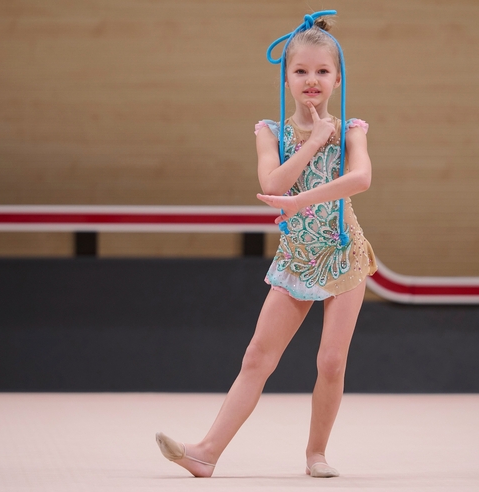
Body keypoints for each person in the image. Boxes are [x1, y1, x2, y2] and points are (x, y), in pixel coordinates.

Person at [156, 11, 377, 479]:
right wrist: (313, 141)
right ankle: (206, 453)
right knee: (258, 355)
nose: (311, 80)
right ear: (286, 77)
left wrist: (307, 192)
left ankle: (316, 454)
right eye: (301, 71)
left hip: (343, 253)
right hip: (298, 257)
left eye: (322, 71)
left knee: (331, 362)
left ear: (338, 78)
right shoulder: (270, 132)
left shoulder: (351, 129)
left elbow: (360, 179)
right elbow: (273, 183)